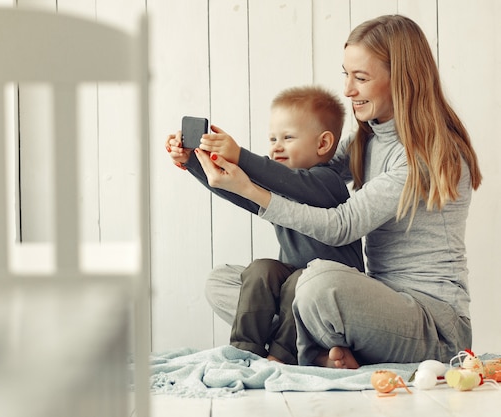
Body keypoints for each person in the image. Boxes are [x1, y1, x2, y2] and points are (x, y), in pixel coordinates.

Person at [192, 14, 482, 369]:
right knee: (225, 282)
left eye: (361, 78)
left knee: (316, 284)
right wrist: (202, 163)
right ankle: (326, 353)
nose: (347, 90)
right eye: (346, 75)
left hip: (434, 326)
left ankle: (313, 350)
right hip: (373, 308)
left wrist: (248, 174)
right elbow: (302, 182)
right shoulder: (367, 139)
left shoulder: (423, 155)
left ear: (402, 79)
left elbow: (340, 226)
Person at [166, 86, 364, 364]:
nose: (276, 146)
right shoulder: (280, 187)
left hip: (331, 294)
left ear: (322, 144)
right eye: (272, 138)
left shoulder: (326, 182)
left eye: (288, 137)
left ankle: (283, 356)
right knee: (259, 270)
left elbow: (287, 181)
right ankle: (245, 350)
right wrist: (192, 162)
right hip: (294, 290)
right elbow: (240, 191)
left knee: (300, 281)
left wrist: (240, 155)